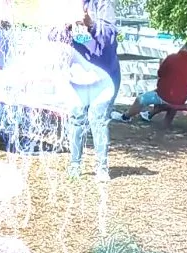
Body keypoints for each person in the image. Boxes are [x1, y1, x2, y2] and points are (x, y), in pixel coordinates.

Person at [65, 0, 121, 181]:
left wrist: (91, 24)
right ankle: (75, 165)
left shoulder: (104, 4)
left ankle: (102, 168)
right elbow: (52, 35)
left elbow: (110, 37)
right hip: (78, 74)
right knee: (76, 118)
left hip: (105, 75)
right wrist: (64, 26)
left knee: (98, 120)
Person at [111, 41, 187, 123]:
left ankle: (125, 117)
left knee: (141, 99)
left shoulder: (172, 58)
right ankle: (149, 115)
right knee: (169, 99)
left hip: (164, 95)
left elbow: (160, 73)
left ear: (184, 47)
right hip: (181, 99)